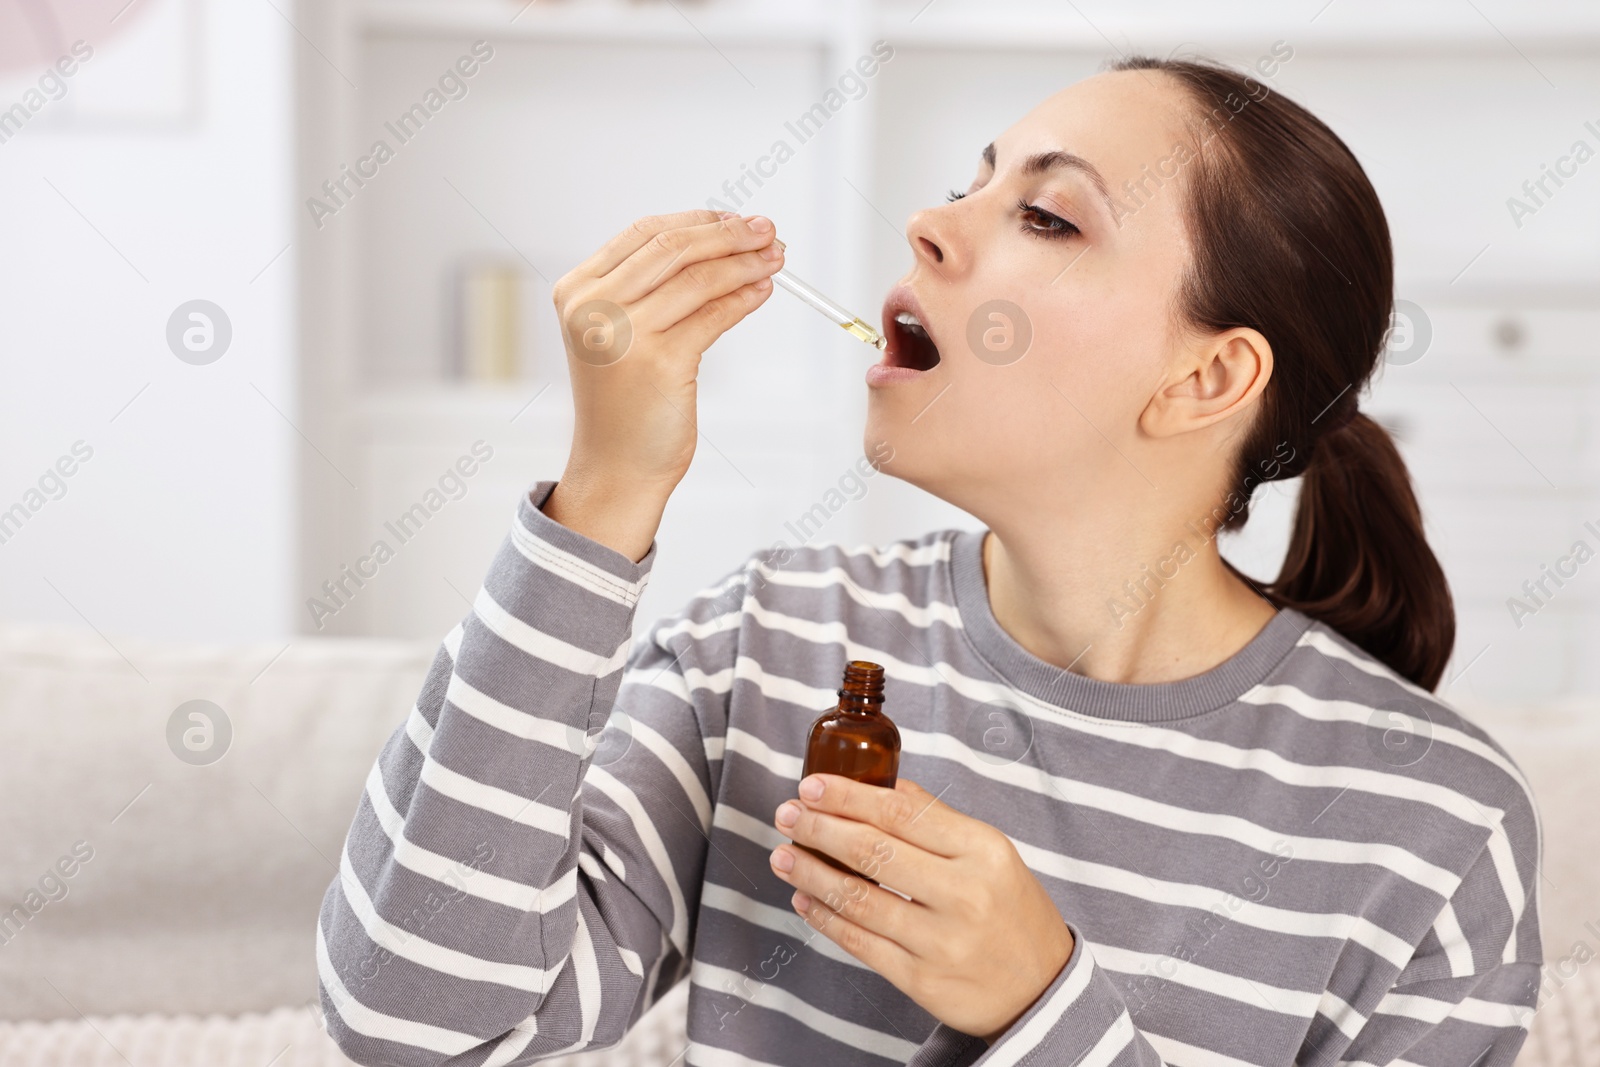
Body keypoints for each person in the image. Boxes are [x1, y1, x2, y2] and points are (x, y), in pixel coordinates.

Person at [316, 55, 1542, 1067]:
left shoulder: (1430, 826)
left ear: (1206, 378)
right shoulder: (774, 643)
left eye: (1048, 214)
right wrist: (607, 491)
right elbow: (417, 1020)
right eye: (974, 181)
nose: (927, 223)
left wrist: (1037, 1003)